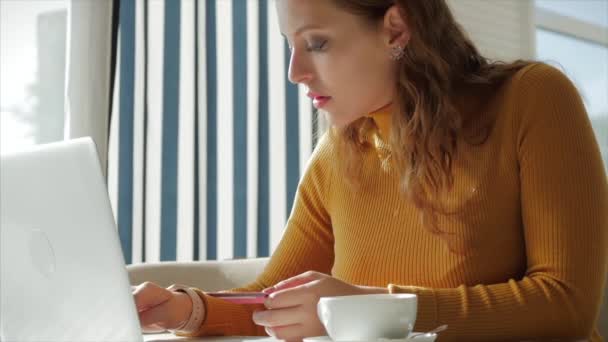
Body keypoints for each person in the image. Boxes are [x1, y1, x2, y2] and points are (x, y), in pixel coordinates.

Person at [132, 0, 608, 340]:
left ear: (395, 28)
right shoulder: (337, 155)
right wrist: (185, 310)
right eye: (290, 45)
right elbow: (271, 300)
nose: (295, 70)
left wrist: (373, 309)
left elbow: (565, 305)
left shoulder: (532, 100)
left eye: (316, 43)